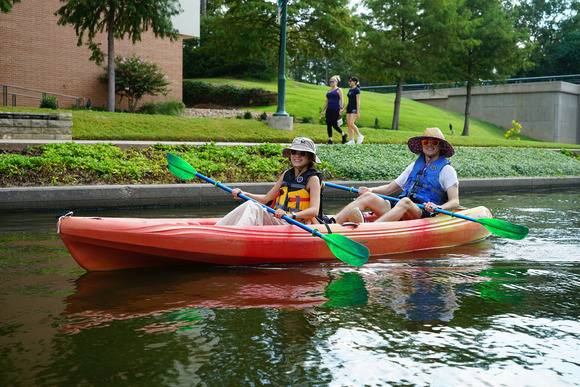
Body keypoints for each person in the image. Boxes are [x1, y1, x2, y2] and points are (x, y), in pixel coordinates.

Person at [331, 127, 459, 223]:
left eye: (434, 142)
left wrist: (438, 207)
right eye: (426, 142)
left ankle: (370, 229)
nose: (430, 145)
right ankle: (331, 222)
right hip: (400, 206)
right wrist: (371, 190)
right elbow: (390, 188)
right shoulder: (413, 167)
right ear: (422, 145)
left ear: (440, 146)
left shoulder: (447, 170)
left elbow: (455, 202)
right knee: (368, 196)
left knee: (405, 202)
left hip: (423, 212)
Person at [215, 137, 324, 226]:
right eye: (294, 152)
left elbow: (314, 210)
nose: (297, 156)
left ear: (310, 157)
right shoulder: (286, 174)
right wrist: (244, 194)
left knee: (253, 207)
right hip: (281, 220)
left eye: (303, 153)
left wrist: (290, 215)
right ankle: (219, 229)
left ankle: (235, 235)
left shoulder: (313, 179)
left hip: (297, 223)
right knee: (250, 203)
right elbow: (267, 198)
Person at [319, 75, 348, 145]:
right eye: (330, 82)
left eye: (333, 81)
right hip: (329, 109)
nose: (331, 83)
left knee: (334, 124)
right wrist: (322, 111)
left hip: (336, 109)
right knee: (328, 124)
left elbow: (342, 99)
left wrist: (341, 108)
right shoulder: (329, 91)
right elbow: (326, 102)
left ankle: (343, 134)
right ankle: (330, 140)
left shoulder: (338, 90)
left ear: (336, 82)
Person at [342, 77, 364, 145]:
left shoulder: (357, 90)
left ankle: (359, 135)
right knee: (349, 125)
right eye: (349, 81)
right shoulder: (350, 90)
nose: (349, 82)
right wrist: (343, 109)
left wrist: (358, 112)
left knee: (351, 123)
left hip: (354, 108)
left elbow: (358, 101)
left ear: (354, 82)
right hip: (349, 108)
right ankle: (352, 140)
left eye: (350, 81)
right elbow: (349, 101)